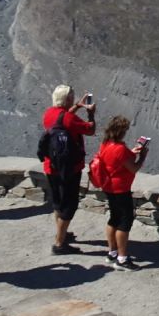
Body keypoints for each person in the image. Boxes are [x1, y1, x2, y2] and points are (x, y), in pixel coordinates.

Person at [42, 85, 97, 255]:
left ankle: (61, 233)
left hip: (51, 166)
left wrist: (77, 107)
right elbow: (90, 129)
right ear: (66, 100)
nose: (73, 99)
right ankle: (59, 244)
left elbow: (62, 119)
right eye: (71, 98)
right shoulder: (69, 119)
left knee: (58, 201)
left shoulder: (49, 113)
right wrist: (90, 113)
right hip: (69, 168)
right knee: (69, 205)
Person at [94, 115, 148, 269]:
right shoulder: (120, 149)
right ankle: (122, 259)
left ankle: (112, 253)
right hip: (120, 189)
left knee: (114, 218)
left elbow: (116, 160)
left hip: (109, 187)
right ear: (121, 132)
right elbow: (134, 168)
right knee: (125, 222)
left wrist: (131, 152)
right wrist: (142, 157)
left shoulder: (106, 144)